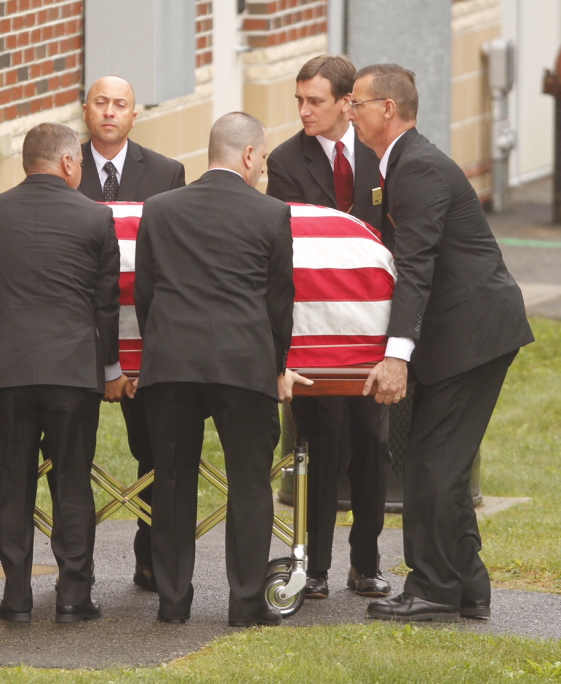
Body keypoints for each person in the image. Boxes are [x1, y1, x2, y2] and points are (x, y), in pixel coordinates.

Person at [351, 64, 533, 622]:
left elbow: (416, 266)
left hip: (471, 333)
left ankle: (432, 587)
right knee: (442, 463)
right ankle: (466, 586)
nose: (349, 112)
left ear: (388, 109)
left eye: (356, 103)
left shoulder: (418, 168)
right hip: (462, 331)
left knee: (432, 464)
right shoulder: (400, 165)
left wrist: (395, 355)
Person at [135, 112, 304, 627]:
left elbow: (145, 293)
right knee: (250, 484)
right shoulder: (271, 214)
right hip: (244, 363)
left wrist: (161, 346)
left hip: (171, 364)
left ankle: (172, 601)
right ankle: (247, 602)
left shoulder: (159, 209)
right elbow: (280, 304)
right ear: (250, 156)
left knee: (172, 483)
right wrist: (276, 366)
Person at [0, 123, 125, 623]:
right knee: (72, 482)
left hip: (6, 370)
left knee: (13, 481)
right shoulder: (96, 217)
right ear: (70, 163)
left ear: (25, 163)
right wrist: (111, 368)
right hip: (72, 371)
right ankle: (73, 596)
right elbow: (106, 304)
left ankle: (16, 597)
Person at [265, 54, 392, 600]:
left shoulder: (378, 153)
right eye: (299, 100)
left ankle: (365, 562)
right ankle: (313, 566)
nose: (304, 111)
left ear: (347, 102)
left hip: (372, 330)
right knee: (319, 443)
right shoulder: (287, 160)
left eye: (315, 101)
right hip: (315, 331)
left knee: (372, 442)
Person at [77, 75, 186, 591]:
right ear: (85, 110)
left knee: (154, 452)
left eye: (121, 104)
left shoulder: (167, 173)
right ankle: (76, 567)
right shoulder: (62, 165)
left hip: (147, 337)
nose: (110, 112)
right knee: (71, 456)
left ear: (135, 114)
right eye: (101, 103)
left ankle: (152, 559)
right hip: (76, 338)